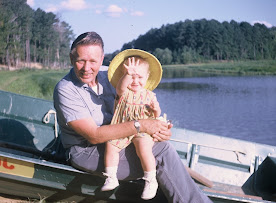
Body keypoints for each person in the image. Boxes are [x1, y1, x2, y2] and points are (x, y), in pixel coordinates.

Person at [53, 31, 212, 203]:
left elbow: (141, 108)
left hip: (122, 140)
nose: (87, 68)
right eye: (80, 60)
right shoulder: (65, 89)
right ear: (71, 58)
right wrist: (141, 126)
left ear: (101, 59)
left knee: (159, 144)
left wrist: (158, 131)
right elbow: (94, 135)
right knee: (162, 152)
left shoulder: (112, 75)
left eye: (92, 61)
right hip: (85, 151)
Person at [101, 50, 164, 200]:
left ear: (147, 77)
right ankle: (111, 177)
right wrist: (127, 74)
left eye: (139, 77)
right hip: (122, 128)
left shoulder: (149, 95)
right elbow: (121, 86)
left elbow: (156, 115)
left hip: (143, 130)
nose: (135, 81)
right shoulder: (123, 92)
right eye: (130, 76)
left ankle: (150, 180)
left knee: (143, 147)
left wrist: (156, 110)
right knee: (111, 146)